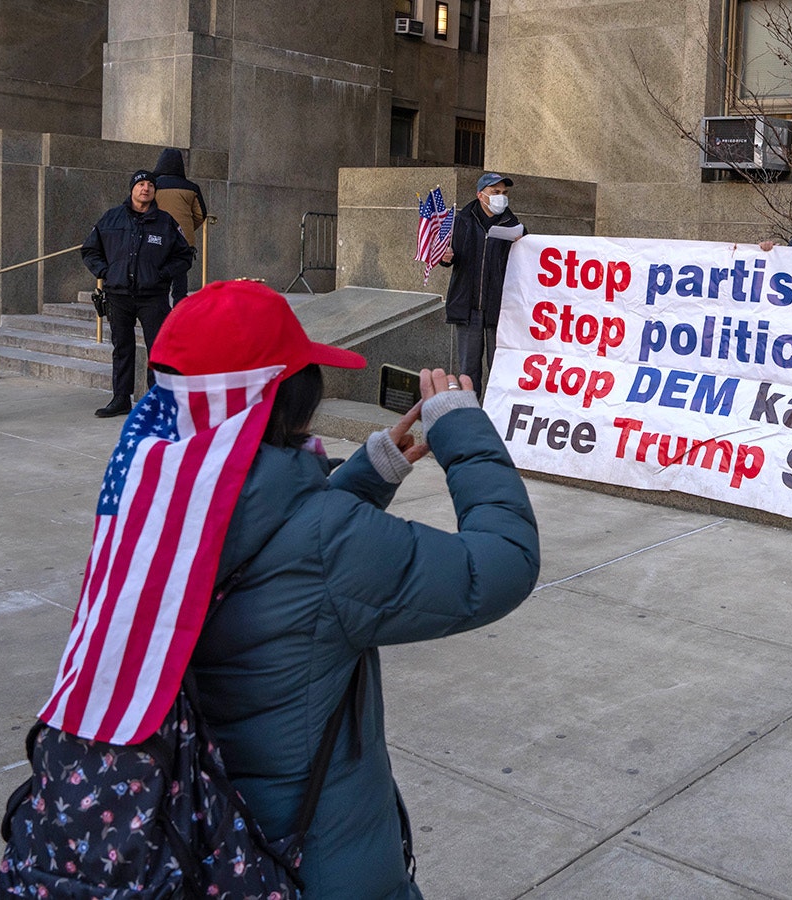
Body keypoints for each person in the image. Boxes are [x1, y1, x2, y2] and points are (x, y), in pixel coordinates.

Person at [162, 281, 540, 896]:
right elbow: (501, 565)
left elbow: (274, 546)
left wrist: (367, 473)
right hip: (319, 859)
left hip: (214, 835)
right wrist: (465, 436)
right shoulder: (325, 542)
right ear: (287, 400)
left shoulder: (161, 495)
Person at [81, 169, 194, 418]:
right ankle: (121, 398)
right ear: (132, 189)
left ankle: (156, 402)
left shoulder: (166, 222)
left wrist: (162, 274)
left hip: (153, 296)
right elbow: (90, 250)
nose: (146, 189)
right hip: (118, 295)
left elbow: (184, 256)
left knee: (158, 349)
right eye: (141, 184)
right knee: (122, 347)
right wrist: (105, 272)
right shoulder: (111, 218)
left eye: (150, 185)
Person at [439, 172, 524, 395]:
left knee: (499, 367)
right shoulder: (462, 222)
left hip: (499, 309)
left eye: (504, 193)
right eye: (495, 192)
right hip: (467, 307)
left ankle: (497, 412)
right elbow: (449, 255)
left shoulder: (514, 226)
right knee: (468, 370)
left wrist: (522, 245)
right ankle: (471, 412)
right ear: (480, 195)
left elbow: (525, 265)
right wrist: (445, 257)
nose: (501, 197)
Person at [151, 147, 208, 301]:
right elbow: (200, 215)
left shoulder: (152, 185)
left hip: (158, 238)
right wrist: (186, 228)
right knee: (180, 281)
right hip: (183, 241)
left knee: (158, 282)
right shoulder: (192, 188)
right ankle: (179, 317)